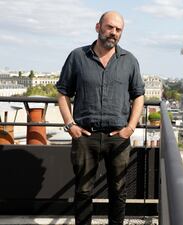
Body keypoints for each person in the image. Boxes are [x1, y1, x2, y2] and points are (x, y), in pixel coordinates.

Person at [56, 11, 145, 225]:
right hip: (85, 136)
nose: (113, 33)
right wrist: (70, 125)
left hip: (118, 137)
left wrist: (130, 128)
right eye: (109, 27)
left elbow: (139, 95)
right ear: (98, 27)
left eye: (118, 29)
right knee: (84, 191)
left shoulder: (130, 60)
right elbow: (63, 93)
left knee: (118, 191)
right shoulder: (77, 57)